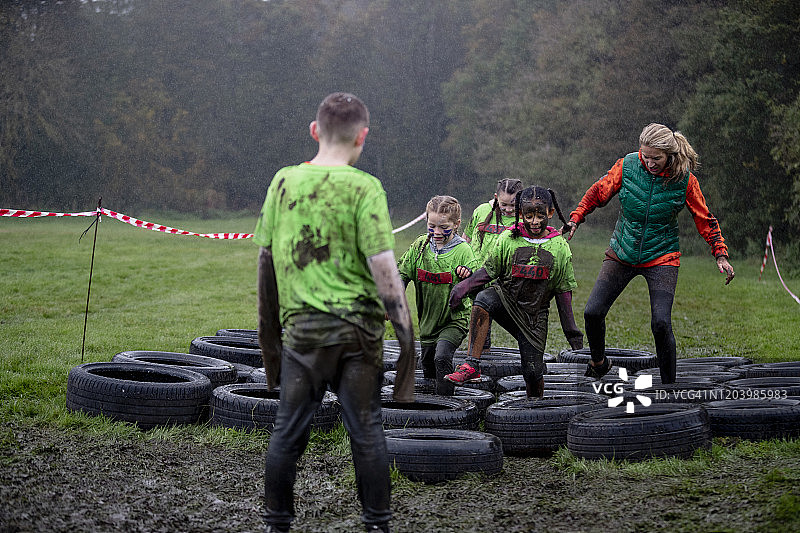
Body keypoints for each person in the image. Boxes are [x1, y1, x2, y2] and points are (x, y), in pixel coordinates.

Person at [252, 92, 416, 533]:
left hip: (303, 333)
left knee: (287, 432)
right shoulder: (366, 188)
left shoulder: (282, 182)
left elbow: (265, 264)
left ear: (314, 130)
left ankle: (277, 525)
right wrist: (406, 338)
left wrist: (268, 337)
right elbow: (384, 268)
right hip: (359, 334)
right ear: (363, 136)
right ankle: (377, 525)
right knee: (366, 432)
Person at [563, 123, 735, 384]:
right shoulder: (628, 165)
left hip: (662, 257)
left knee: (661, 323)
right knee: (592, 312)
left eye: (657, 158)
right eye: (646, 156)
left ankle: (669, 388)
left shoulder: (685, 180)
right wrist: (576, 218)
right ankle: (599, 362)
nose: (650, 163)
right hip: (623, 250)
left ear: (670, 155)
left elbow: (705, 219)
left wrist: (720, 254)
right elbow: (599, 192)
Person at [445, 186, 584, 398]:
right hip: (506, 302)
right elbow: (488, 272)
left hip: (534, 318)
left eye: (539, 216)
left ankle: (534, 406)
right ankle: (471, 364)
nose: (534, 222)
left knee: (532, 371)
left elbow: (563, 293)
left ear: (550, 213)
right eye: (528, 216)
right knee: (484, 298)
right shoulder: (508, 239)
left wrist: (573, 337)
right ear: (521, 214)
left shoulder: (559, 247)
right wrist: (463, 288)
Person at [397, 195, 478, 396]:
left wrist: (467, 276)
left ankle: (448, 408)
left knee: (441, 357)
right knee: (428, 366)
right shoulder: (419, 246)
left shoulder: (463, 250)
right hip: (427, 323)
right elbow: (402, 273)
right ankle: (432, 413)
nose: (437, 232)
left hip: (454, 320)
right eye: (431, 226)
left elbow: (477, 284)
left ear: (457, 224)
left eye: (443, 227)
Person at [461, 178, 524, 351]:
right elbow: (465, 240)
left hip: (506, 284)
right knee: (480, 329)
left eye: (513, 204)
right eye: (504, 204)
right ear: (496, 197)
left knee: (520, 329)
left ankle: (531, 354)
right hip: (478, 278)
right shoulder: (481, 211)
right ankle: (477, 361)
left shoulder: (525, 219)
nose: (509, 209)